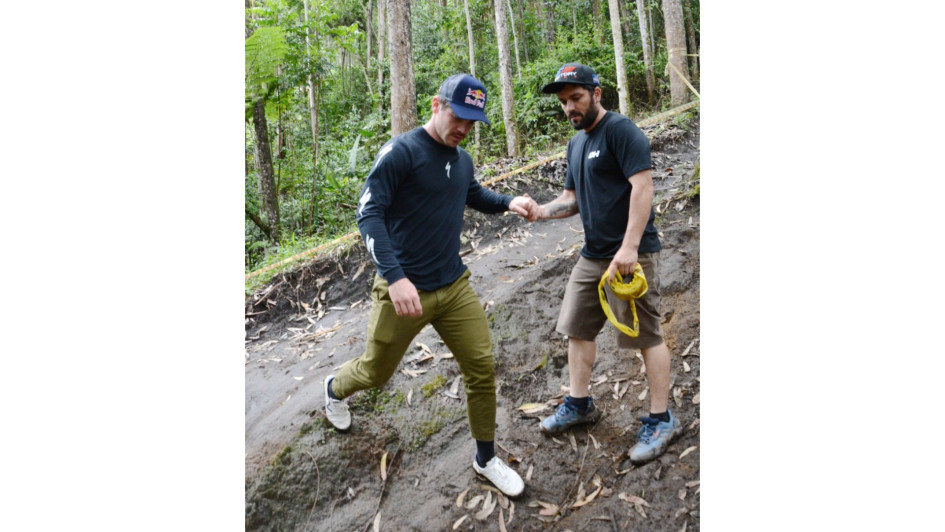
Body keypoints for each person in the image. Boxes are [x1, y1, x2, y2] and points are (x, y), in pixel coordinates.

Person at [323, 73, 536, 497]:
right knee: (376, 371)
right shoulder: (401, 153)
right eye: (459, 117)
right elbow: (369, 215)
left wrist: (507, 202)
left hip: (453, 286)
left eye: (473, 123)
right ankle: (333, 389)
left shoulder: (462, 159)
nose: (464, 129)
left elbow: (469, 193)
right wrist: (396, 276)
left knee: (481, 369)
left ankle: (486, 458)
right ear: (437, 105)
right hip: (404, 292)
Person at [527, 63, 681, 465]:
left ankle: (661, 418)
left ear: (597, 93)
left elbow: (643, 187)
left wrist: (629, 248)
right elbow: (572, 200)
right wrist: (542, 212)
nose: (569, 108)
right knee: (576, 328)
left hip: (632, 254)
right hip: (594, 255)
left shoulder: (622, 132)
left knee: (645, 336)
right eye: (563, 102)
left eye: (575, 98)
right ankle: (579, 405)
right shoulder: (576, 144)